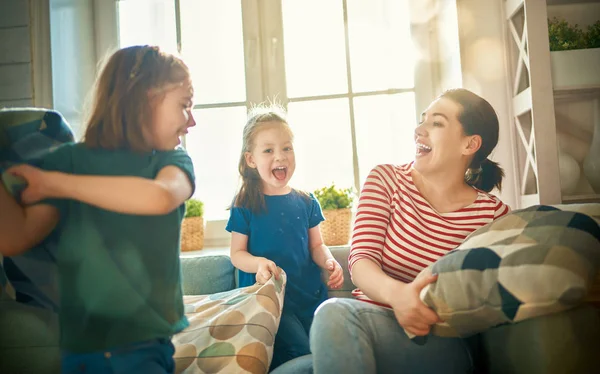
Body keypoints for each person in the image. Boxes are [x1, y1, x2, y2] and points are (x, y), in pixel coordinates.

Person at [0, 45, 196, 374]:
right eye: (184, 105)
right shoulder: (68, 162)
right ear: (147, 98)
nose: (191, 120)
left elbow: (159, 198)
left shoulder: (171, 163)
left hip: (144, 350)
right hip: (79, 353)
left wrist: (56, 184)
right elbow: (15, 237)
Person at [309, 88, 511, 374]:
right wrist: (399, 296)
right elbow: (361, 262)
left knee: (333, 315)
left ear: (470, 144)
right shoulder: (386, 180)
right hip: (370, 323)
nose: (419, 130)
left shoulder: (493, 215)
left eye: (436, 123)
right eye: (422, 120)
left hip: (440, 341)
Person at [226, 105, 344, 371]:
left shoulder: (306, 200)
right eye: (268, 150)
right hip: (272, 303)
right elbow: (237, 254)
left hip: (311, 297)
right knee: (304, 357)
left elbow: (317, 245)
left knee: (329, 354)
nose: (280, 156)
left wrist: (329, 262)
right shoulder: (245, 203)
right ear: (251, 159)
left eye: (287, 148)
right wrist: (258, 264)